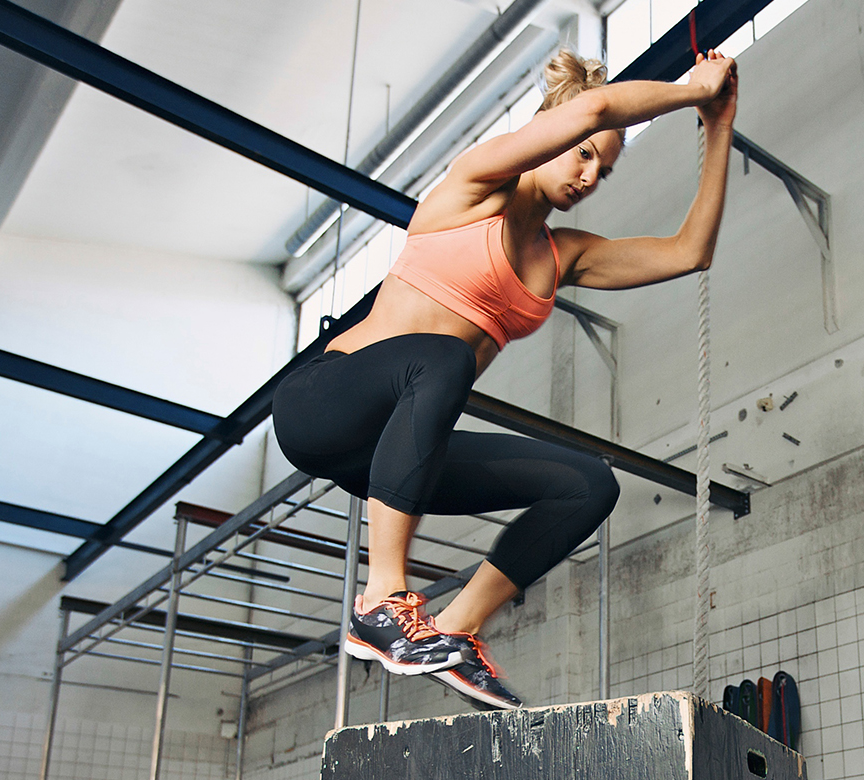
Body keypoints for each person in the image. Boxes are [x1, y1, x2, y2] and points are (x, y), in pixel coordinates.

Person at [272, 48, 739, 710]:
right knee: (445, 356)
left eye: (602, 171)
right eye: (581, 153)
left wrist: (718, 123)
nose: (588, 176)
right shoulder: (478, 184)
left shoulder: (562, 255)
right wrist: (692, 89)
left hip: (390, 448)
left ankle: (457, 627)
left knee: (586, 485)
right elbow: (599, 106)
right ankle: (380, 601)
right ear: (553, 129)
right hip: (323, 403)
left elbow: (691, 250)